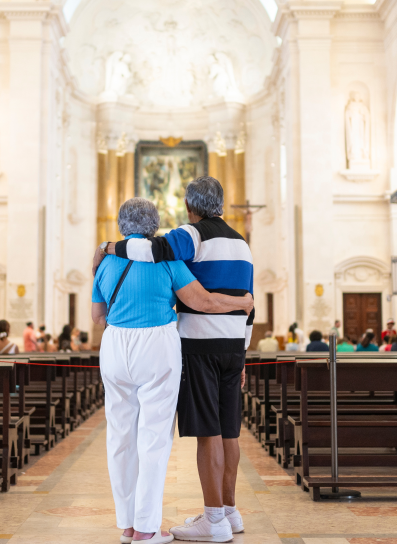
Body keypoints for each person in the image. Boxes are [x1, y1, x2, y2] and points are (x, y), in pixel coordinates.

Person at [96, 179, 254, 542]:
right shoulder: (241, 243)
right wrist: (242, 343)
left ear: (188, 205)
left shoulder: (185, 238)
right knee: (226, 429)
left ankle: (203, 520)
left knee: (196, 432)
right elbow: (236, 297)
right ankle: (226, 513)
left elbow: (149, 256)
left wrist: (106, 247)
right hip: (228, 345)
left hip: (190, 344)